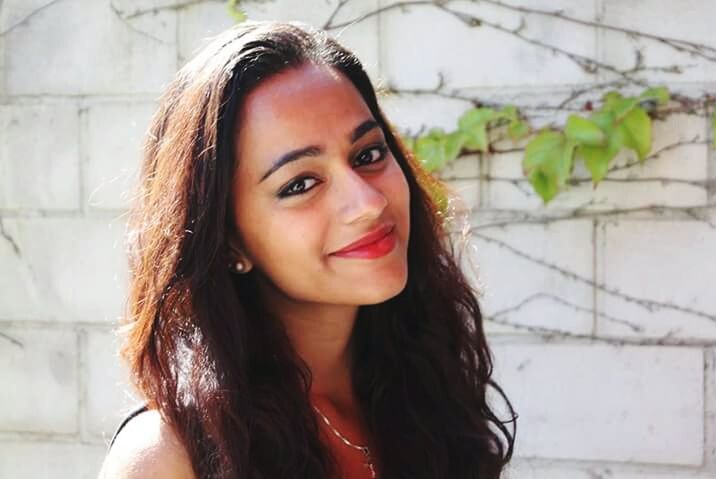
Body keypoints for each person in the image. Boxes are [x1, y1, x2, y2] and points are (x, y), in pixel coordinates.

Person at [98, 20, 516, 479]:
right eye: (300, 183)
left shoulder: (423, 391)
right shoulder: (169, 458)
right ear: (228, 239)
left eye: (368, 155)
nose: (368, 203)